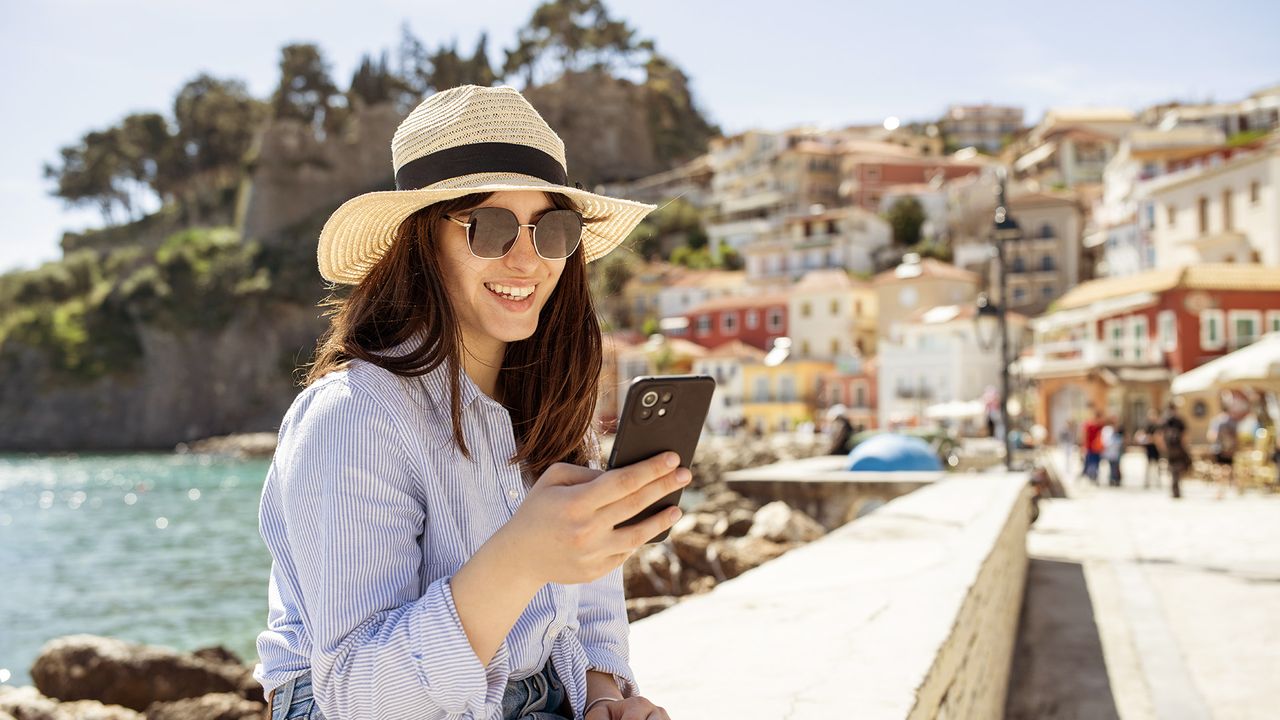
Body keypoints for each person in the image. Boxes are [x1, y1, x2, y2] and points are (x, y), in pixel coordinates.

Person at [253, 86, 676, 720]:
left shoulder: (547, 401)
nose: (527, 257)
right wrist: (521, 556)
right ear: (421, 241)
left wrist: (604, 697)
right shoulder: (352, 415)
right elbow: (361, 696)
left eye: (552, 228)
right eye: (491, 226)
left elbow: (586, 603)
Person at [1207, 402, 1239, 499]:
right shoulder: (1233, 421)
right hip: (1230, 449)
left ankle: (1220, 490)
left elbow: (1212, 436)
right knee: (1227, 468)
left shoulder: (1216, 421)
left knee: (1219, 469)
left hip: (1218, 448)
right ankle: (1226, 488)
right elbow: (1236, 437)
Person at [1159, 402, 1191, 499]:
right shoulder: (1179, 420)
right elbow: (1185, 435)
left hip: (1170, 448)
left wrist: (1163, 447)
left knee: (1173, 468)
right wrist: (1184, 446)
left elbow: (1159, 435)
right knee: (1177, 468)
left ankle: (1174, 488)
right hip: (1178, 448)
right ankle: (1176, 489)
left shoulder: (1165, 420)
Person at [1137, 409, 1162, 489]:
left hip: (1156, 449)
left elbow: (1159, 437)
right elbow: (1141, 436)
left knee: (1157, 466)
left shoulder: (1158, 425)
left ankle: (1158, 482)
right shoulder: (1147, 426)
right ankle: (1147, 482)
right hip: (1149, 448)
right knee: (1148, 466)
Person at [1080, 407, 1104, 483]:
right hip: (1091, 448)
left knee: (1094, 463)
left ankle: (1093, 477)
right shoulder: (1090, 425)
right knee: (1091, 463)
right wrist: (1084, 447)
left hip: (1096, 448)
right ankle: (1091, 477)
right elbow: (1085, 436)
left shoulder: (1099, 426)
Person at [1102, 420, 1124, 487]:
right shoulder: (1108, 431)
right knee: (1112, 467)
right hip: (1111, 453)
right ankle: (1112, 479)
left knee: (1115, 467)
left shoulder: (1118, 433)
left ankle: (1116, 479)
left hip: (1116, 453)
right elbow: (1106, 443)